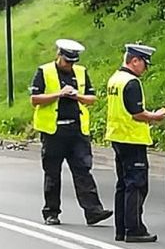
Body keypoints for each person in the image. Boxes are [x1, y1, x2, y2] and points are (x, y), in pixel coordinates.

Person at [30, 39, 112, 226]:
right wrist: (59, 94)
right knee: (52, 173)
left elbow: (91, 98)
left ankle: (93, 211)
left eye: (73, 62)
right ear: (58, 55)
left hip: (77, 131)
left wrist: (77, 95)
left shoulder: (81, 72)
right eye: (67, 61)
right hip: (53, 131)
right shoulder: (45, 71)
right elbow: (35, 99)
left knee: (83, 171)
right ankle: (51, 212)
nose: (70, 65)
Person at [105, 44, 165, 243]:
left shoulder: (115, 79)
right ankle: (134, 229)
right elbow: (137, 113)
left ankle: (121, 229)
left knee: (123, 184)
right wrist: (155, 116)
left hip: (117, 137)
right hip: (132, 138)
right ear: (134, 61)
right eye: (144, 64)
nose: (145, 69)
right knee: (136, 185)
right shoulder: (131, 83)